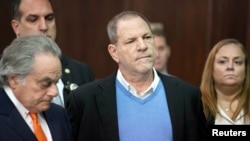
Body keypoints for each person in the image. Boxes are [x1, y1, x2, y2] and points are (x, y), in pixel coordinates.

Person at [66, 11, 207, 141]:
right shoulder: (85, 100)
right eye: (131, 41)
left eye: (147, 37)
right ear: (114, 52)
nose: (142, 46)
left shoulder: (187, 95)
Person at [10, 0, 94, 107]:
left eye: (49, 18)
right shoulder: (4, 72)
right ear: (16, 27)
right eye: (33, 19)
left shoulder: (81, 71)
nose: (44, 27)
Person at [0, 35, 72, 140]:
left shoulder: (59, 114)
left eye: (56, 82)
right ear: (14, 79)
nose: (54, 92)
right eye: (45, 84)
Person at [200, 38, 250, 125]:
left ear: (245, 69)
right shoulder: (196, 106)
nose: (230, 67)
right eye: (223, 61)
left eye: (237, 62)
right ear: (211, 69)